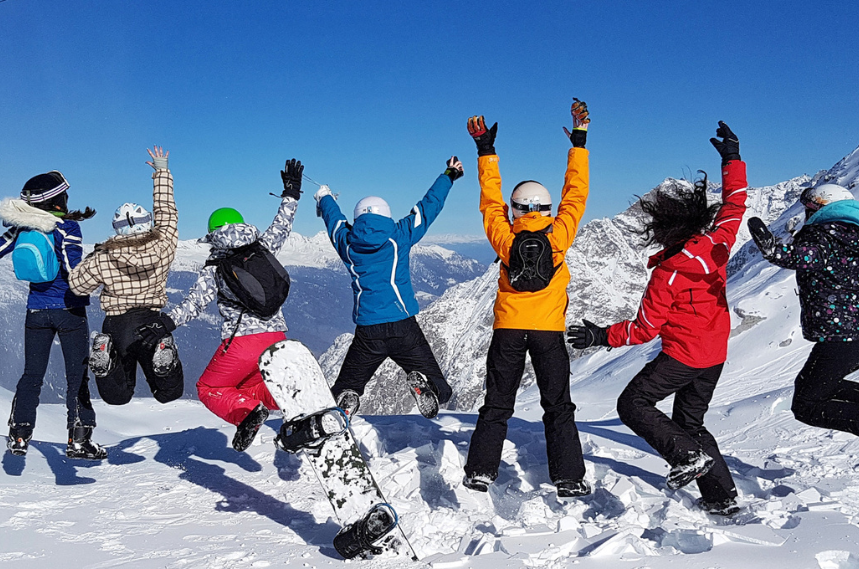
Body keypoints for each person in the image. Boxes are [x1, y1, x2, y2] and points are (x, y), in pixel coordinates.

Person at [568, 121, 747, 515]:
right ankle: (722, 499)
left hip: (684, 356)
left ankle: (685, 457)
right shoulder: (718, 243)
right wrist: (732, 159)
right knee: (691, 421)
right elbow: (734, 206)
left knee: (634, 404)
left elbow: (644, 329)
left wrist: (599, 336)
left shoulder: (667, 274)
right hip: (715, 353)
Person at [462, 98, 591, 499]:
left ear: (515, 208)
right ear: (548, 208)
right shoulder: (558, 237)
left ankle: (481, 471)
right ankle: (568, 477)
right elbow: (577, 193)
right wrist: (580, 141)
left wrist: (486, 150)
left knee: (497, 405)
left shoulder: (505, 239)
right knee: (558, 406)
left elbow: (489, 200)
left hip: (508, 330)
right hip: (549, 331)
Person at [136, 159, 303, 452]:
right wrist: (291, 193)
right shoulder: (261, 246)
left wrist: (167, 322)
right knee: (248, 388)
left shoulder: (215, 264)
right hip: (277, 336)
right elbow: (282, 225)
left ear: (212, 233)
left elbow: (195, 303)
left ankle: (247, 414)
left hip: (242, 342)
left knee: (210, 388)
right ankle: (291, 397)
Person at [315, 157, 461, 419]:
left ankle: (348, 398)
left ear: (358, 218)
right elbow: (428, 207)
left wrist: (324, 196)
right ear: (387, 215)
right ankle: (428, 387)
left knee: (345, 386)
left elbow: (334, 221)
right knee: (442, 388)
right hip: (403, 325)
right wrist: (449, 175)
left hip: (367, 332)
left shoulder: (347, 243)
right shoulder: (399, 234)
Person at [0, 170, 105, 459]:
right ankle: (80, 441)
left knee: (31, 375)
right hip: (69, 312)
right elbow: (74, 271)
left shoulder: (22, 228)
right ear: (58, 200)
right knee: (76, 376)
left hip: (35, 311)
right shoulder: (66, 227)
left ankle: (19, 435)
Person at [69, 146, 183, 406]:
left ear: (116, 229)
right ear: (149, 221)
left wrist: (92, 258)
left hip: (117, 325)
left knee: (118, 397)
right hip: (151, 323)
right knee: (169, 392)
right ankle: (164, 356)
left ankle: (106, 360)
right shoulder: (164, 244)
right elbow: (168, 213)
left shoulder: (104, 256)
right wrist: (162, 171)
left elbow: (77, 286)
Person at [748, 183, 859, 437]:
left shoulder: (824, 234)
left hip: (839, 337)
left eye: (809, 208)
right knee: (819, 387)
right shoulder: (853, 234)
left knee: (806, 405)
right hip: (852, 336)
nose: (806, 214)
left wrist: (773, 250)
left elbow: (807, 256)